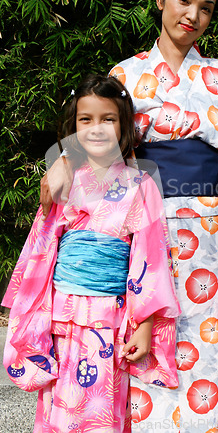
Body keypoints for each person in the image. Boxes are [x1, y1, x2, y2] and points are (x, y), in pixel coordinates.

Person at [40, 0, 218, 432]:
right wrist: (61, 160)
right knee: (141, 342)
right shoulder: (126, 74)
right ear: (159, 1)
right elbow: (98, 136)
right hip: (140, 232)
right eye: (184, 0)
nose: (193, 16)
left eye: (206, 8)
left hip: (209, 235)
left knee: (205, 342)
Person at [2, 75, 181, 433]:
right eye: (86, 120)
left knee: (100, 412)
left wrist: (145, 325)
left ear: (124, 125)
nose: (96, 128)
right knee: (57, 411)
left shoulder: (141, 185)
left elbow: (150, 259)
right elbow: (42, 250)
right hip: (62, 314)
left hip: (107, 319)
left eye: (108, 119)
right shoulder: (65, 178)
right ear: (73, 126)